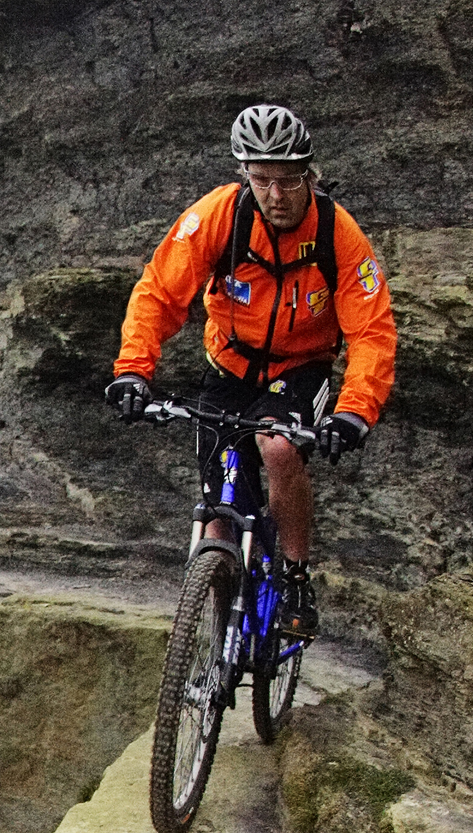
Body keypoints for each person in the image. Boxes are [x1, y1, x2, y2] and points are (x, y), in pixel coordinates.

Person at [106, 103, 396, 642]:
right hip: (230, 366)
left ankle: (294, 577)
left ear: (309, 175)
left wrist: (355, 411)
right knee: (218, 509)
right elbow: (159, 293)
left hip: (301, 367)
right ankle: (214, 637)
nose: (275, 196)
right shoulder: (221, 215)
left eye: (288, 181)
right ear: (246, 176)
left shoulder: (339, 234)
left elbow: (372, 332)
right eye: (262, 180)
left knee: (277, 446)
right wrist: (133, 372)